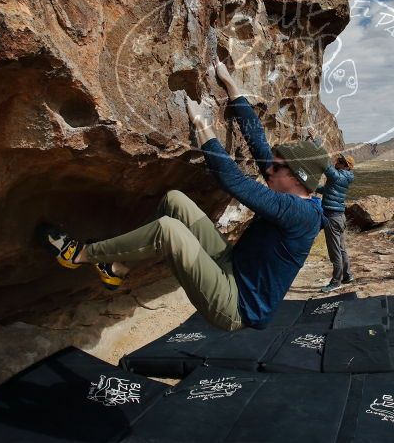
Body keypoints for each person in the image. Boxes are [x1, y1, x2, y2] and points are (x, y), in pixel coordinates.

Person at [39, 60, 329, 331]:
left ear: (294, 177)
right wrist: (231, 86)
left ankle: (81, 254)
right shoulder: (292, 189)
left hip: (236, 304)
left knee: (170, 230)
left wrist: (202, 125)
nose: (268, 168)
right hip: (230, 265)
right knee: (174, 201)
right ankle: (117, 266)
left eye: (276, 167)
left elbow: (234, 182)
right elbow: (258, 143)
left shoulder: (299, 214)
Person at [316, 153, 355, 293]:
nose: (336, 161)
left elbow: (326, 165)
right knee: (341, 248)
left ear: (345, 166)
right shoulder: (343, 177)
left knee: (335, 252)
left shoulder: (337, 175)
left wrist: (316, 142)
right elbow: (327, 190)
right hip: (339, 217)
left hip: (332, 218)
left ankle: (336, 281)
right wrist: (311, 185)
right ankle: (348, 275)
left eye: (339, 161)